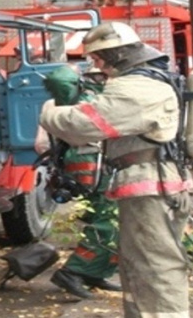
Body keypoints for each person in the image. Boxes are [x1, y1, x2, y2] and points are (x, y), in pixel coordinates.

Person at [39, 22, 191, 318]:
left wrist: (48, 112)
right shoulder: (152, 81)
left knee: (155, 265)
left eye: (97, 59)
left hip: (150, 184)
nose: (97, 66)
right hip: (152, 183)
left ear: (115, 54)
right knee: (139, 263)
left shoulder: (138, 87)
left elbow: (87, 124)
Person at [35, 66, 120, 299]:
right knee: (108, 218)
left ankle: (94, 272)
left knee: (105, 217)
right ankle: (73, 271)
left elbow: (42, 144)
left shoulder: (62, 103)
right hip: (92, 162)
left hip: (87, 162)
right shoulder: (89, 100)